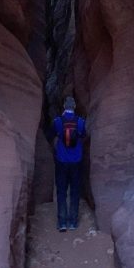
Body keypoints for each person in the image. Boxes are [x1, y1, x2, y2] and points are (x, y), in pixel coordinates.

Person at [52, 96, 87, 231]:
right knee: (75, 191)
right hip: (76, 160)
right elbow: (83, 135)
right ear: (75, 107)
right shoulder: (80, 122)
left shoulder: (58, 121)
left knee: (61, 191)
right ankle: (72, 222)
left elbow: (53, 133)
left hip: (61, 160)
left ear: (64, 107)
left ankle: (62, 223)